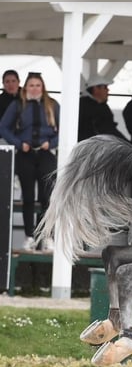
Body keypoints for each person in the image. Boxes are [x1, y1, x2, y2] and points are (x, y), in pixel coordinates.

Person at [0, 72, 59, 251]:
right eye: (31, 85)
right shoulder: (18, 105)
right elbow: (3, 127)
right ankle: (29, 236)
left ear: (43, 87)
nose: (34, 88)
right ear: (25, 88)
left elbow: (64, 128)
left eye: (38, 85)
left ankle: (46, 236)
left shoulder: (52, 105)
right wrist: (18, 143)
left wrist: (52, 143)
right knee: (27, 197)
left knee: (47, 197)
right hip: (25, 154)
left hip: (45, 153)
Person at [78, 74, 128, 141]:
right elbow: (107, 130)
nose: (108, 90)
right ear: (95, 89)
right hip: (94, 147)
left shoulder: (101, 106)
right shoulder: (87, 107)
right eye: (105, 87)